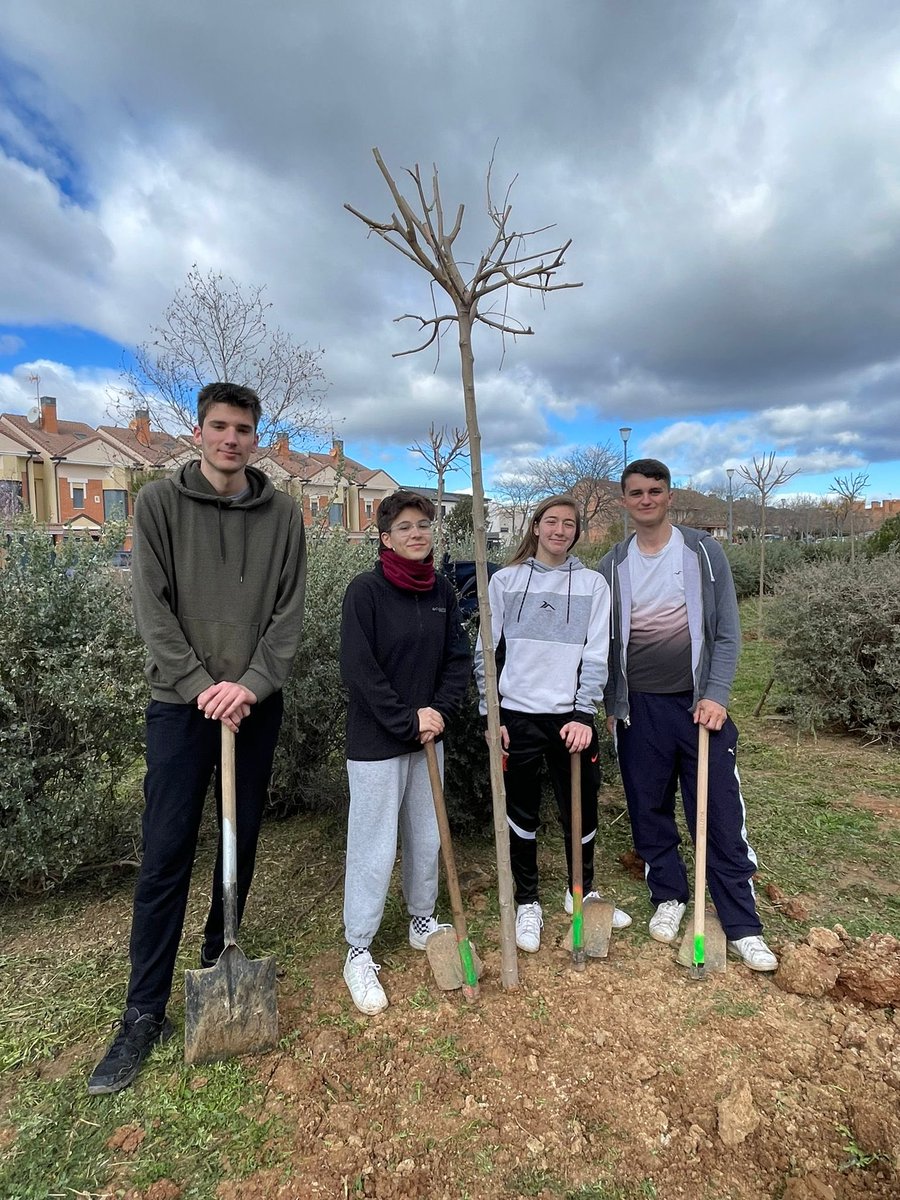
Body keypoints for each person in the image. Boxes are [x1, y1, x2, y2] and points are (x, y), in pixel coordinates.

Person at [87, 382, 307, 1094]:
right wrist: (198, 688)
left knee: (238, 843)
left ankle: (221, 957)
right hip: (181, 708)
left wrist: (250, 684)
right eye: (219, 426)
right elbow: (152, 606)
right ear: (198, 430)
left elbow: (288, 611)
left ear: (255, 435)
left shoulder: (283, 515)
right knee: (167, 851)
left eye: (243, 427)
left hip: (252, 702)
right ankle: (143, 1010)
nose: (231, 439)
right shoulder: (156, 505)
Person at [599, 458, 777, 971]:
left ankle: (742, 923)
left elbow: (726, 631)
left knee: (717, 811)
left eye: (655, 490)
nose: (646, 499)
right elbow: (608, 643)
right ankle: (669, 896)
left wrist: (716, 694)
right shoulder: (613, 563)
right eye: (636, 492)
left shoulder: (702, 551)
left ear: (669, 495)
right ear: (625, 500)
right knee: (647, 807)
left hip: (698, 706)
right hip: (639, 711)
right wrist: (614, 703)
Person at [474, 495, 632, 954]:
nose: (560, 530)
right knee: (520, 813)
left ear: (576, 532)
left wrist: (585, 712)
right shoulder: (505, 582)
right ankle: (527, 903)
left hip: (570, 718)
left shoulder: (592, 586)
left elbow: (596, 653)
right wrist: (493, 714)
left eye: (569, 524)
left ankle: (579, 891)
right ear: (536, 527)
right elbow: (487, 653)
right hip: (517, 717)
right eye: (552, 522)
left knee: (580, 809)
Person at [340, 490, 471, 1014]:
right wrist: (405, 719)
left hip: (427, 739)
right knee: (374, 843)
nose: (417, 534)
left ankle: (422, 918)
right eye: (406, 527)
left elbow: (457, 660)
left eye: (424, 526)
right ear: (385, 537)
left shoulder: (441, 591)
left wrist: (436, 712)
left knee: (425, 835)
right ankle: (359, 947)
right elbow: (359, 671)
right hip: (378, 743)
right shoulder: (365, 592)